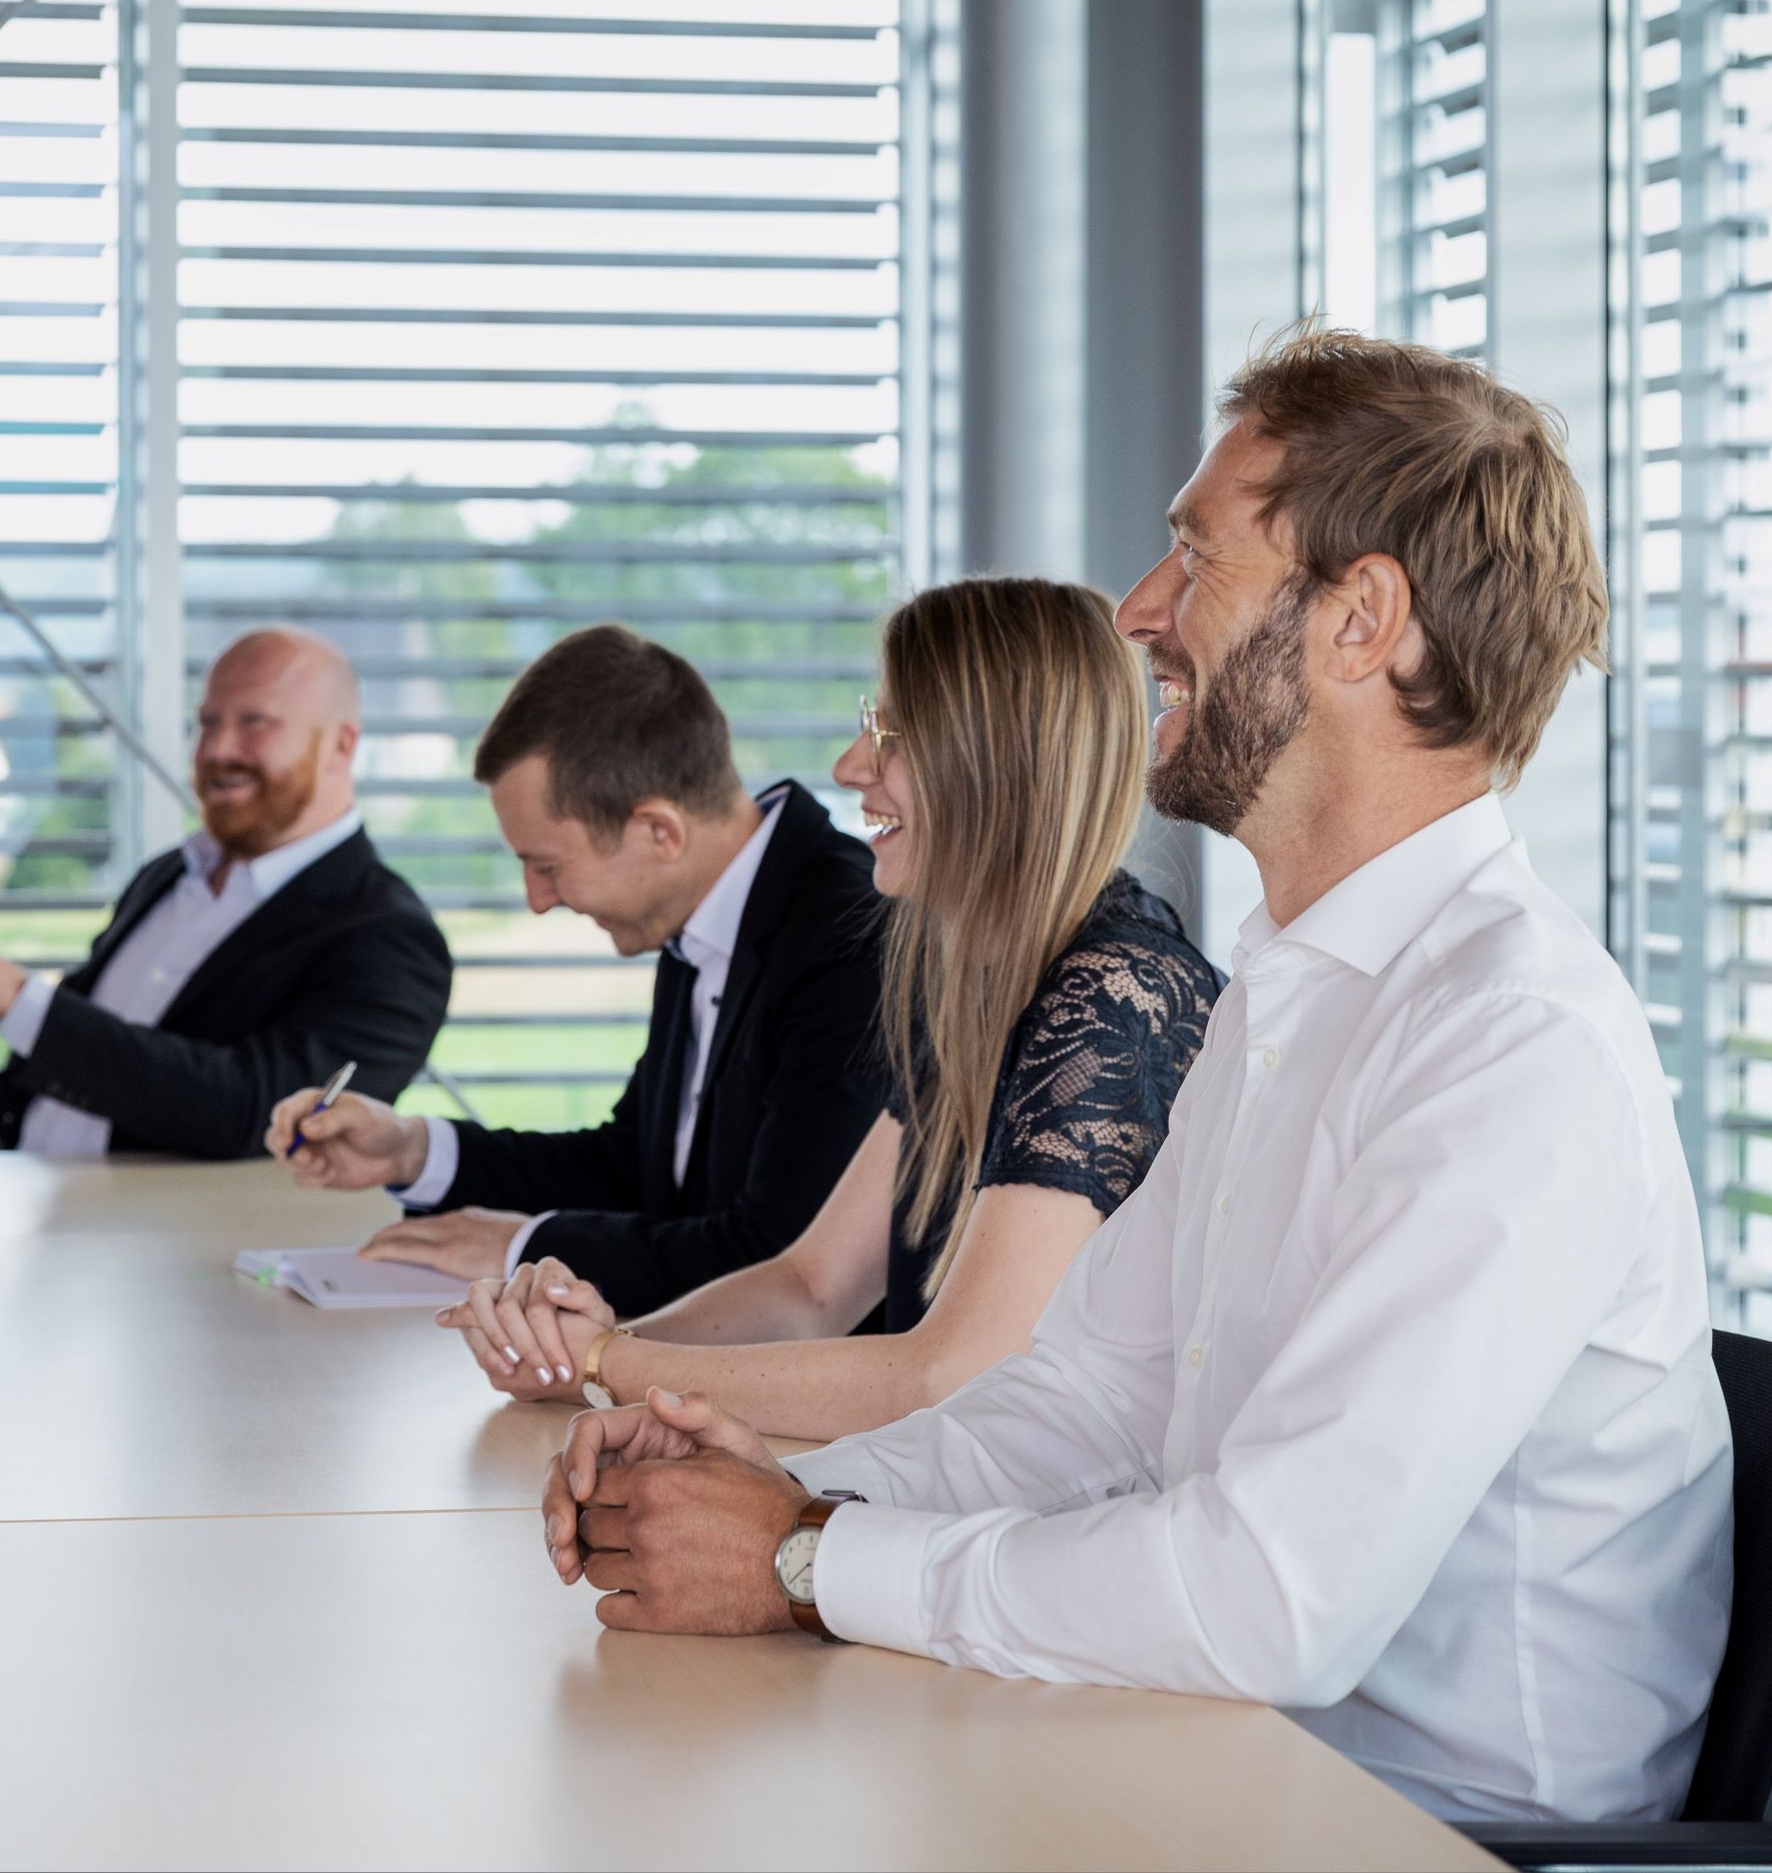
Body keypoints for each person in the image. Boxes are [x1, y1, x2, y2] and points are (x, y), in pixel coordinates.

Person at [538, 328, 1734, 1828]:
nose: (1137, 610)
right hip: (1228, 1762)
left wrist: (802, 1560)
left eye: (1194, 553)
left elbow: (1278, 1594)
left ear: (1361, 619)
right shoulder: (1292, 990)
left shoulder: (1511, 1042)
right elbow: (1085, 1399)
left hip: (1417, 1826)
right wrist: (793, 1488)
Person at [436, 579, 1219, 1443]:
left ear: (992, 759)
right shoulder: (977, 979)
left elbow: (948, 1372)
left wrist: (608, 1368)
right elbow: (809, 1288)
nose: (851, 767)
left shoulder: (1109, 996)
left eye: (889, 737)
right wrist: (587, 1355)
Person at [269, 625, 889, 1313]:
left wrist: (524, 1248)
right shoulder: (702, 910)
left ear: (659, 831)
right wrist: (412, 1149)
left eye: (548, 866)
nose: (537, 901)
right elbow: (635, 1167)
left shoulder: (850, 940)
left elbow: (779, 1260)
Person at [0, 626, 451, 1160]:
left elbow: (255, 1112)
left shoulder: (390, 937)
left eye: (254, 722)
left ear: (341, 745)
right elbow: (74, 1032)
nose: (218, 749)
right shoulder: (170, 874)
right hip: (39, 1213)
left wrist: (19, 999)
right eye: (208, 722)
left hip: (178, 1241)